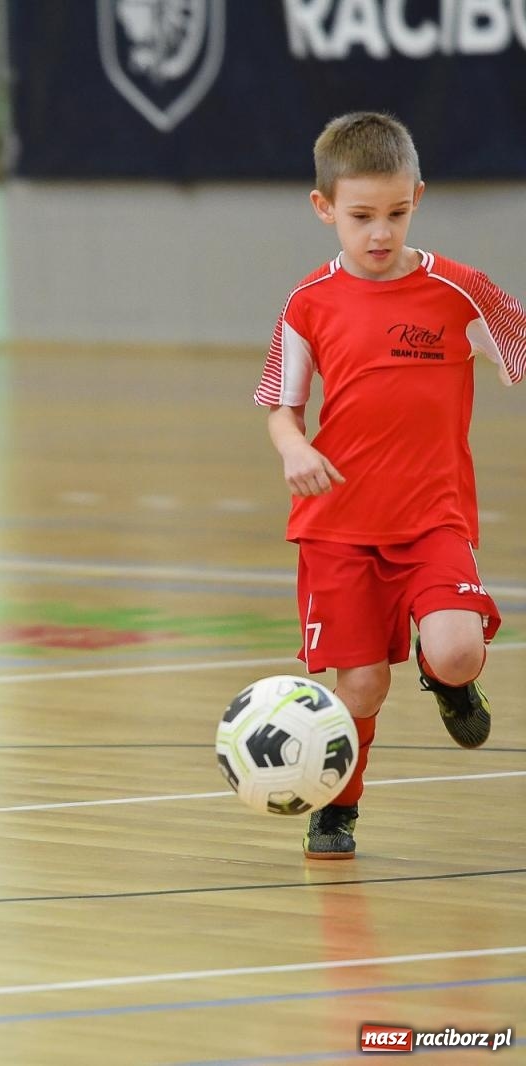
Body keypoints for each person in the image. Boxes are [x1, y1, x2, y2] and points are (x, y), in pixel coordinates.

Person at [254, 111, 526, 859]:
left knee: (458, 650)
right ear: (324, 209)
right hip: (337, 524)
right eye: (361, 217)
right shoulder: (308, 302)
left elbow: (515, 338)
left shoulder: (458, 290)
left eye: (397, 215)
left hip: (433, 517)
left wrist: (510, 358)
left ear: (419, 198)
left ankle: (448, 679)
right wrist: (292, 448)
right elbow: (282, 406)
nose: (380, 233)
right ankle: (339, 808)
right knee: (362, 687)